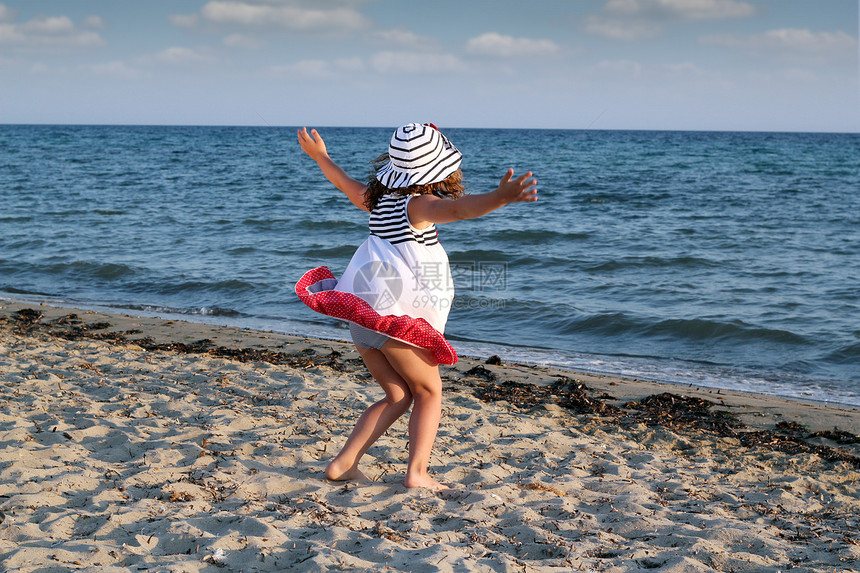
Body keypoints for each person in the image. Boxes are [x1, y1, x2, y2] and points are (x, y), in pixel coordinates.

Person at [295, 123, 537, 490]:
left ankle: (344, 464)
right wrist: (499, 198)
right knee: (429, 392)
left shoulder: (376, 200)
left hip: (362, 315)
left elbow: (342, 181)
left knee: (398, 395)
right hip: (391, 318)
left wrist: (320, 156)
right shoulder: (418, 204)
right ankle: (418, 473)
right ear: (436, 171)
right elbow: (458, 210)